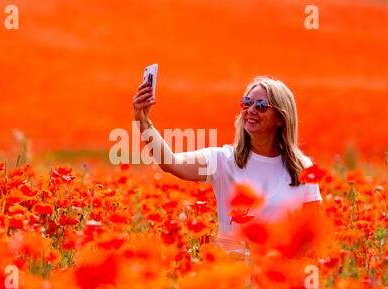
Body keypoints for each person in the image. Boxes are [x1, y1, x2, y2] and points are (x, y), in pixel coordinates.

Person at [132, 75, 322, 253]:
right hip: (234, 276)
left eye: (261, 106)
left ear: (281, 118)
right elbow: (170, 162)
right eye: (247, 103)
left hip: (279, 276)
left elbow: (312, 235)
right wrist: (143, 122)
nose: (251, 110)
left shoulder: (303, 169)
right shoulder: (223, 160)